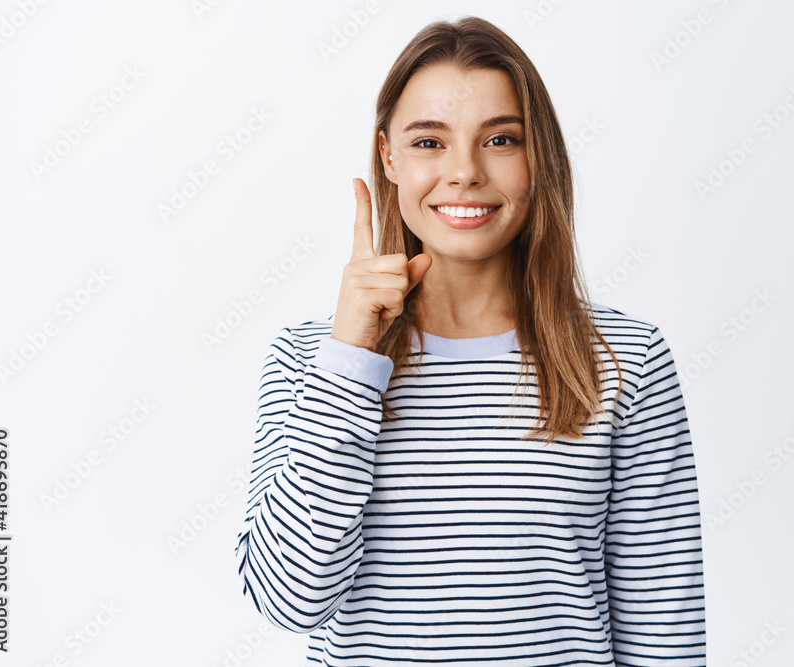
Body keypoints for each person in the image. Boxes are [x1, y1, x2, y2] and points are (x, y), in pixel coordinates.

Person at [235, 15, 706, 666]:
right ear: (388, 157)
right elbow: (287, 599)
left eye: (501, 139)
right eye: (429, 142)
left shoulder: (627, 358)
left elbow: (664, 632)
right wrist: (349, 362)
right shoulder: (309, 360)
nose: (464, 172)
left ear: (538, 157)